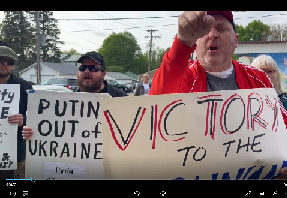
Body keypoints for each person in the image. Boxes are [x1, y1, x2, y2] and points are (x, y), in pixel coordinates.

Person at [149, 11, 287, 179]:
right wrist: (183, 43)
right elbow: (156, 107)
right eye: (205, 31)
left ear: (236, 41)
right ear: (195, 42)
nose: (212, 35)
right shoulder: (182, 76)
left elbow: (282, 125)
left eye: (221, 29)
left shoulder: (258, 78)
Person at [22, 51, 128, 141]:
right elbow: (55, 130)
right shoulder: (67, 102)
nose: (87, 71)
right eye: (82, 67)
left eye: (93, 68)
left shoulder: (122, 99)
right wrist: (34, 132)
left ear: (103, 73)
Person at [0, 44, 32, 180]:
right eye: (1, 60)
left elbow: (37, 113)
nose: (5, 64)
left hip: (13, 148)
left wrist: (23, 119)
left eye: (9, 62)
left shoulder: (26, 86)